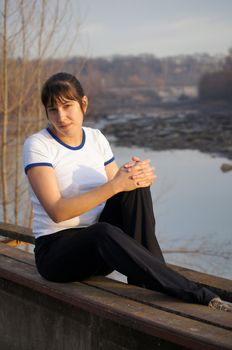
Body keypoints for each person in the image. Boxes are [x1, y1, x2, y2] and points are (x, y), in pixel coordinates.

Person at [23, 72, 231, 312]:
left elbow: (121, 190)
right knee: (102, 230)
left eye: (67, 106)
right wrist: (116, 184)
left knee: (135, 187)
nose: (61, 116)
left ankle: (149, 282)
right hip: (57, 255)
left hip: (100, 249)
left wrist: (138, 177)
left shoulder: (96, 138)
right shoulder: (38, 145)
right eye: (52, 110)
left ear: (84, 104)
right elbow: (57, 211)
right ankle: (200, 296)